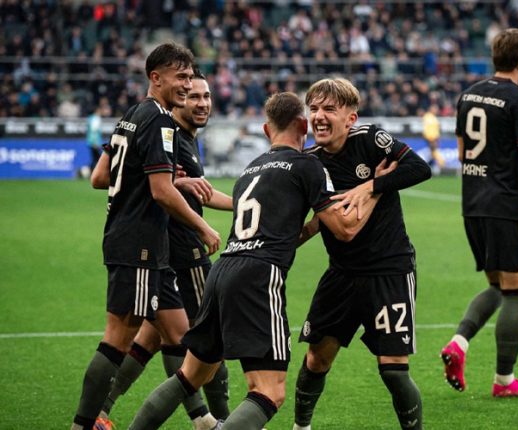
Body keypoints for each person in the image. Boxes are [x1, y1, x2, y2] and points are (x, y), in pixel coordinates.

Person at [127, 91, 380, 429]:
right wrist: (375, 189)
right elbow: (345, 230)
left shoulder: (251, 169)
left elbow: (286, 232)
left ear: (266, 130)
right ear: (303, 125)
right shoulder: (308, 165)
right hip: (258, 278)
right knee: (269, 391)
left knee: (190, 376)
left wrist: (314, 222)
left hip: (222, 271)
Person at [71, 42, 221, 430]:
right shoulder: (160, 121)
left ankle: (202, 419)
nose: (186, 84)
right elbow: (161, 192)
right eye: (180, 77)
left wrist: (167, 181)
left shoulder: (133, 114)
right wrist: (203, 225)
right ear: (156, 78)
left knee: (178, 334)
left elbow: (101, 177)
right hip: (139, 242)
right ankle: (85, 424)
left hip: (145, 246)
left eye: (190, 77)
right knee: (118, 339)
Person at [292, 77, 431, 430]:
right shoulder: (309, 162)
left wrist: (371, 185)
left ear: (350, 118)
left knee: (394, 371)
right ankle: (301, 427)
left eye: (329, 109)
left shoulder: (370, 139)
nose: (319, 116)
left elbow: (420, 168)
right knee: (316, 360)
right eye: (313, 109)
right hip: (341, 272)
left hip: (389, 269)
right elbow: (311, 222)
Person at [439, 28, 518, 398]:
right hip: (507, 205)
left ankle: (459, 343)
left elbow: (462, 151)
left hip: (473, 204)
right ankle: (504, 381)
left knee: (497, 285)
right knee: (516, 290)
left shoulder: (468, 95)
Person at [422, 103, 445, 174]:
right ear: (431, 109)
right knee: (434, 153)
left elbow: (435, 129)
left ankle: (430, 167)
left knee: (432, 154)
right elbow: (428, 130)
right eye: (435, 108)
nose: (436, 110)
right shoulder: (428, 117)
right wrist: (431, 139)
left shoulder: (433, 117)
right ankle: (441, 166)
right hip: (431, 139)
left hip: (434, 138)